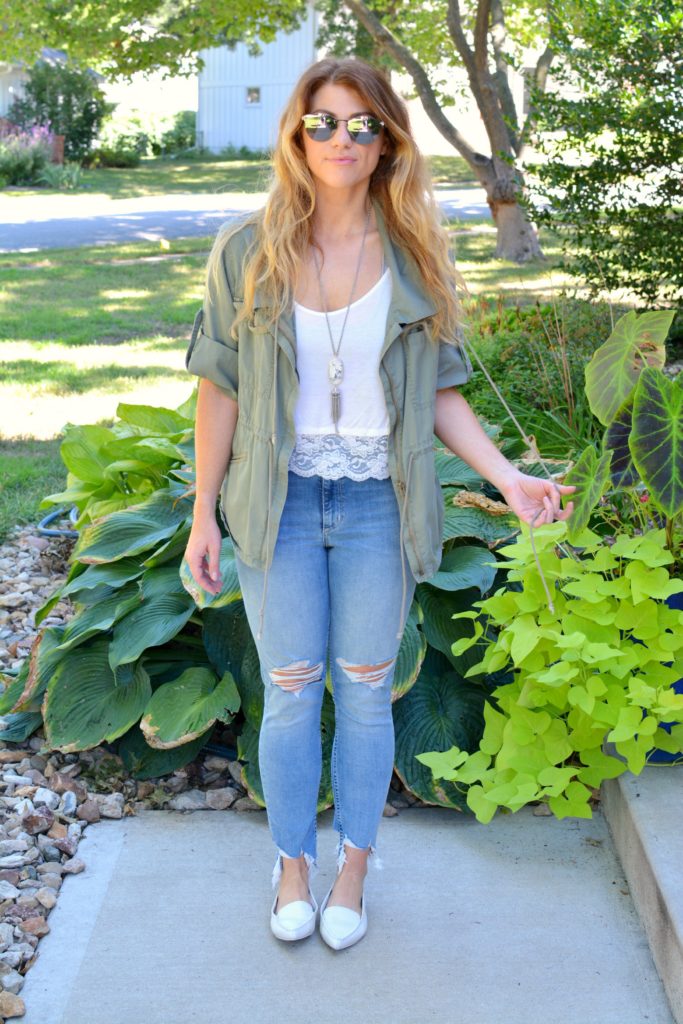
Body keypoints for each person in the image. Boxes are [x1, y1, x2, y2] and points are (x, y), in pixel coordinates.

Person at [184, 55, 575, 951]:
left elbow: (439, 392)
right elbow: (220, 390)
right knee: (288, 694)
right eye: (322, 122)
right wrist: (204, 514)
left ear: (388, 138)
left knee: (363, 694)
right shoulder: (247, 250)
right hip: (277, 501)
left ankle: (352, 867)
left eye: (361, 124)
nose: (340, 140)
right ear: (295, 133)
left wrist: (506, 476)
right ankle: (291, 865)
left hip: (375, 503)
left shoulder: (412, 254)